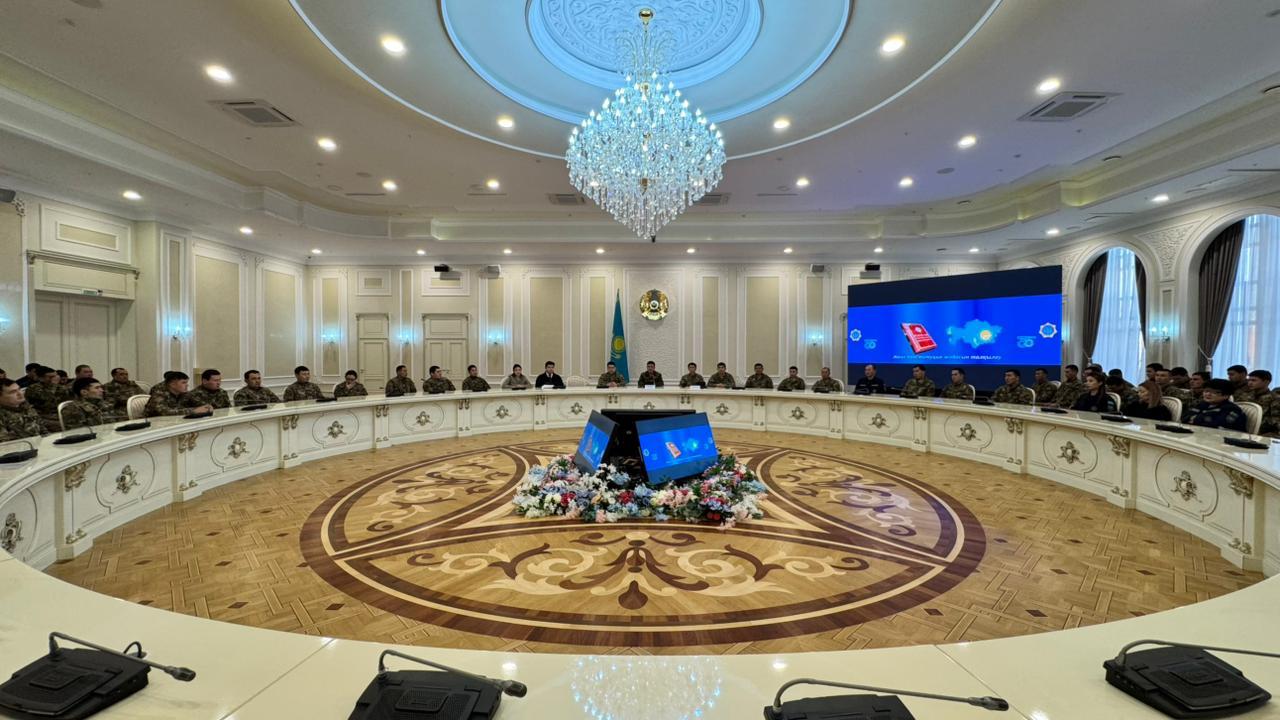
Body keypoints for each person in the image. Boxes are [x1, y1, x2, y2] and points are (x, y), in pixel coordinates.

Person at [1233, 370, 1278, 435]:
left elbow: (1276, 421)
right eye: (1249, 380)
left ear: (1266, 382)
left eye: (1253, 380)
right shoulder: (1244, 395)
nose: (1249, 383)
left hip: (1262, 432)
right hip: (1240, 428)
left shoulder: (1275, 398)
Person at [24, 366, 67, 432]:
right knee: (62, 425)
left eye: (55, 376)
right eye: (50, 377)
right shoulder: (33, 388)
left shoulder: (60, 387)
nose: (54, 379)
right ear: (41, 378)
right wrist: (53, 385)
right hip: (43, 415)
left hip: (58, 414)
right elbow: (48, 399)